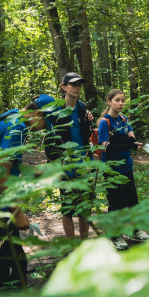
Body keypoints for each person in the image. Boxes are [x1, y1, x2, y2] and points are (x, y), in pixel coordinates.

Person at [0, 96, 54, 291]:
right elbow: (0, 171)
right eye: (46, 123)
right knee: (5, 261)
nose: (45, 128)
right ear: (38, 114)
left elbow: (5, 162)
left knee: (10, 259)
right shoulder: (18, 128)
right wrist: (17, 213)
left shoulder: (11, 117)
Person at [45, 72, 95, 239]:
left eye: (79, 84)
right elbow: (50, 141)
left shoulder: (82, 107)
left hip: (83, 164)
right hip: (64, 165)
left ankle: (83, 245)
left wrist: (89, 120)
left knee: (85, 207)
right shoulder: (55, 111)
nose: (77, 87)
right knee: (67, 208)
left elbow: (85, 135)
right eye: (73, 84)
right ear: (63, 87)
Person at [97, 88, 147, 248]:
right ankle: (115, 236)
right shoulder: (105, 122)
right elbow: (106, 147)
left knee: (132, 201)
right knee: (116, 203)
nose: (120, 103)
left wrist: (118, 141)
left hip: (126, 166)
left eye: (123, 100)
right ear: (109, 101)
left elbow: (132, 138)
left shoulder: (123, 119)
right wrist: (127, 144)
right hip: (112, 169)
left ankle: (134, 231)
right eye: (117, 100)